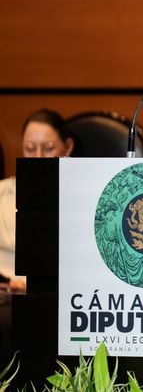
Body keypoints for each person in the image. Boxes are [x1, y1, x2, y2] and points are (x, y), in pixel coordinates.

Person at [0, 109, 74, 291]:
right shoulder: (2, 192)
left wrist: (24, 287)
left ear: (68, 147)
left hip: (50, 294)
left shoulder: (78, 199)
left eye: (48, 148)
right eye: (30, 149)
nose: (38, 157)